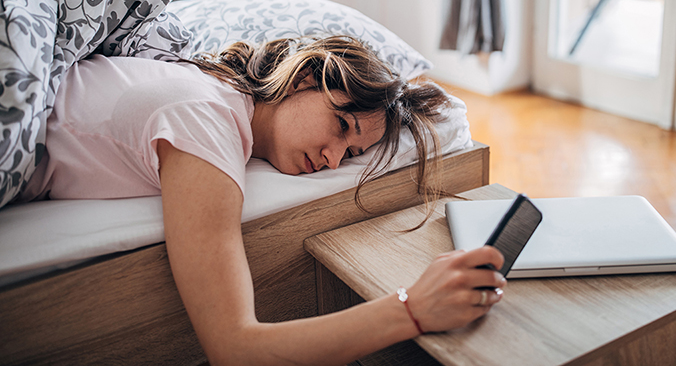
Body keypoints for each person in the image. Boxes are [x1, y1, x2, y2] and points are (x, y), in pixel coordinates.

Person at [14, 35, 507, 365]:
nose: (335, 160)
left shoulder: (215, 97)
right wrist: (413, 309)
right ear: (302, 79)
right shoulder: (203, 120)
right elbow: (234, 347)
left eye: (352, 152)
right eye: (341, 126)